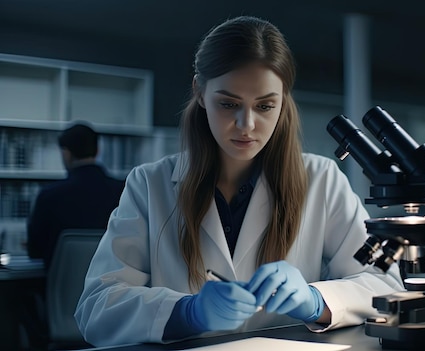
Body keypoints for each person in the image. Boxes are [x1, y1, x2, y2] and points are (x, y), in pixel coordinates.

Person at [74, 16, 404, 347]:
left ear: (283, 101)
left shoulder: (322, 180)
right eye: (229, 103)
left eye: (265, 106)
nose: (246, 124)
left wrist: (316, 300)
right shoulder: (149, 184)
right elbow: (95, 308)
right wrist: (186, 312)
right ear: (200, 92)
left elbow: (387, 286)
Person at [27, 122, 125, 269]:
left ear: (66, 153)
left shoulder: (49, 195)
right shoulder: (123, 191)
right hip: (110, 287)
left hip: (62, 289)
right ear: (98, 150)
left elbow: (35, 251)